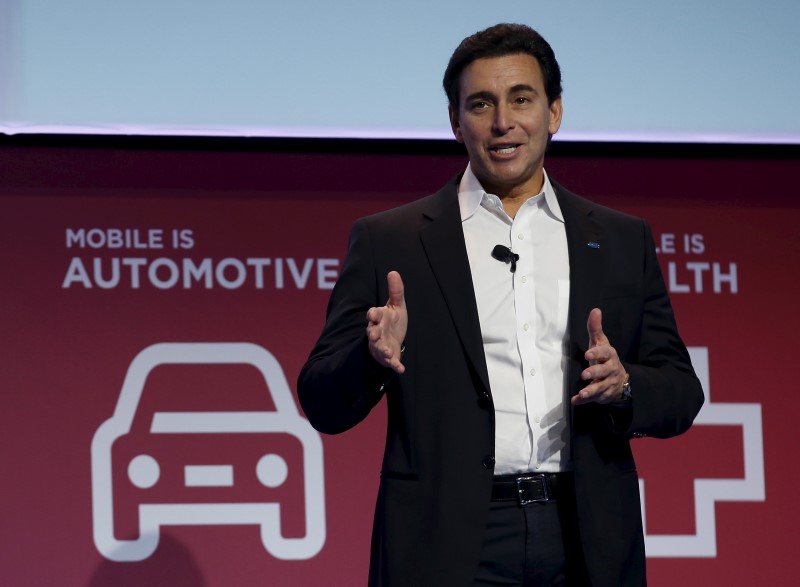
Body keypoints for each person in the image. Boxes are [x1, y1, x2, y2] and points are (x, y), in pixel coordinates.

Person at [298, 23, 703, 586]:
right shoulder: (391, 241)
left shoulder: (618, 238)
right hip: (447, 537)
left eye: (522, 99)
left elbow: (682, 391)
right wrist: (372, 359)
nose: (502, 122)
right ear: (455, 121)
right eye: (481, 103)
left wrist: (624, 384)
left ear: (555, 112)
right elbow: (321, 399)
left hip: (584, 532)